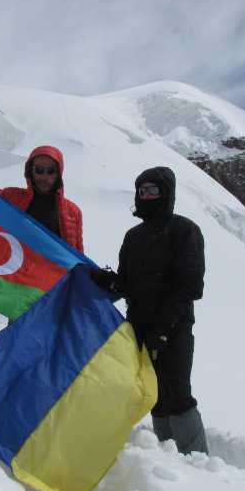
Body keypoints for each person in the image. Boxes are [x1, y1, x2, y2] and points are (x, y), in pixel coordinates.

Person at [91, 166, 207, 455]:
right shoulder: (133, 236)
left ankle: (197, 460)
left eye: (153, 189)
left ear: (166, 193)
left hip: (175, 326)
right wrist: (106, 280)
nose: (146, 195)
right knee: (154, 393)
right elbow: (127, 284)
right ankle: (170, 458)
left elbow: (190, 286)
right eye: (141, 190)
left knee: (178, 392)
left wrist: (163, 330)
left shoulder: (185, 230)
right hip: (139, 325)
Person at [0, 145, 84, 253]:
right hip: (16, 267)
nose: (44, 177)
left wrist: (89, 270)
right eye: (39, 170)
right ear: (30, 171)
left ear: (58, 174)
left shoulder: (73, 212)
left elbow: (78, 254)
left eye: (51, 171)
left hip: (53, 269)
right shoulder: (11, 196)